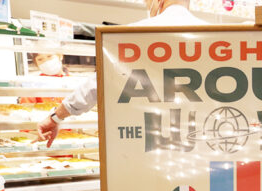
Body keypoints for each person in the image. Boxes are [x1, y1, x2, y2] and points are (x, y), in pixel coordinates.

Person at [37, 0, 209, 148]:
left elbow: (96, 85)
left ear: (158, 1)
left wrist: (55, 118)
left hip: (143, 145)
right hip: (197, 144)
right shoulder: (213, 35)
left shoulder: (131, 34)